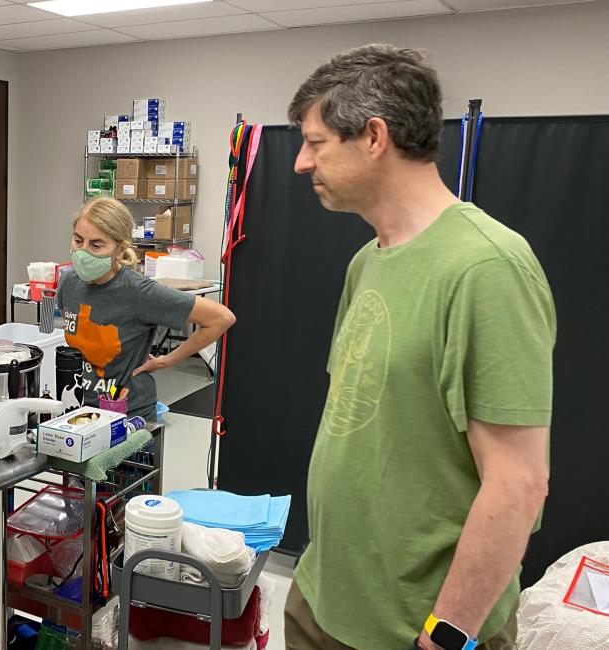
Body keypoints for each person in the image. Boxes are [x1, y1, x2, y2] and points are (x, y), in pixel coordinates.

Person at [283, 44, 555, 650]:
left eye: (316, 142)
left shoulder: (487, 267)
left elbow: (518, 482)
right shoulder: (368, 260)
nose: (301, 163)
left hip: (415, 626)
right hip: (324, 596)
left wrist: (448, 633)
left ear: (373, 137)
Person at [56, 197, 235, 420]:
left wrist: (167, 360)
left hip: (128, 414)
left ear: (120, 250)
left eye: (96, 245)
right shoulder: (69, 282)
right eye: (78, 240)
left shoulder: (139, 292)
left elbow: (221, 318)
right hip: (79, 408)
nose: (83, 252)